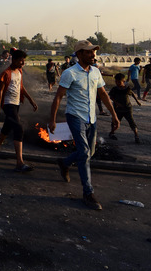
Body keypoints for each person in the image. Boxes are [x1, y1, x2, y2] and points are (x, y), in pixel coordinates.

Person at [48, 40, 119, 211]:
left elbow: (103, 94)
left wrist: (114, 116)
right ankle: (88, 193)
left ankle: (64, 163)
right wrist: (52, 120)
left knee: (89, 152)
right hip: (75, 116)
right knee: (85, 152)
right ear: (79, 54)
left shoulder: (95, 72)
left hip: (92, 118)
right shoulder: (69, 73)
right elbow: (58, 97)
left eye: (93, 51)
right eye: (88, 52)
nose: (93, 54)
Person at [0, 49, 38, 172]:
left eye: (24, 60)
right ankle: (19, 162)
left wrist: (31, 100)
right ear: (14, 60)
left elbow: (21, 87)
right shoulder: (6, 73)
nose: (23, 63)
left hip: (16, 103)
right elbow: (0, 91)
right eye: (21, 60)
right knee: (18, 128)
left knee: (8, 126)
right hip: (8, 104)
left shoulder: (19, 71)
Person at [108, 73, 142, 143]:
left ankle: (136, 136)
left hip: (127, 108)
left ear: (123, 81)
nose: (117, 83)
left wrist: (137, 101)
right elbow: (111, 97)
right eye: (116, 82)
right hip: (118, 109)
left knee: (131, 122)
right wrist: (117, 103)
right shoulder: (114, 89)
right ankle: (112, 133)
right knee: (115, 122)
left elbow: (132, 94)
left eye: (119, 82)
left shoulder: (127, 88)